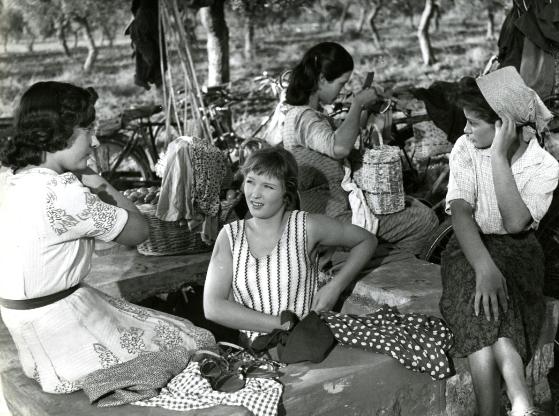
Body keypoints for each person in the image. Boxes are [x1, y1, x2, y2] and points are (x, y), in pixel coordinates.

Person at [0, 81, 216, 394]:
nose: (96, 140)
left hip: (28, 331)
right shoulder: (62, 193)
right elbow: (140, 231)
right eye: (88, 129)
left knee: (162, 325)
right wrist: (92, 177)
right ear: (60, 131)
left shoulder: (9, 179)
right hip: (64, 338)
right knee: (196, 339)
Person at [440, 67, 559, 416]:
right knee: (477, 298)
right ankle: (520, 404)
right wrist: (483, 267)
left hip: (519, 250)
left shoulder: (542, 166)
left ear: (505, 126)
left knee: (499, 301)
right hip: (468, 246)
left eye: (473, 123)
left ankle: (490, 410)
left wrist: (497, 158)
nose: (464, 130)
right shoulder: (464, 148)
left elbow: (515, 222)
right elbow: (460, 213)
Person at [203, 146, 378, 344]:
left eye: (268, 187)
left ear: (286, 192)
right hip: (257, 350)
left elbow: (367, 240)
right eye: (251, 182)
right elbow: (213, 306)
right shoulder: (230, 237)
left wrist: (335, 286)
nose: (255, 194)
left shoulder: (306, 227)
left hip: (306, 343)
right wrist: (282, 324)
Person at [281, 41, 438, 255]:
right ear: (321, 80)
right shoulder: (303, 118)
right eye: (341, 83)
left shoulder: (308, 115)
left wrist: (363, 110)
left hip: (335, 214)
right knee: (424, 220)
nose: (342, 90)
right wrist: (357, 105)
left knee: (415, 206)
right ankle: (394, 272)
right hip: (333, 220)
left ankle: (385, 264)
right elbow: (339, 148)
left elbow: (347, 135)